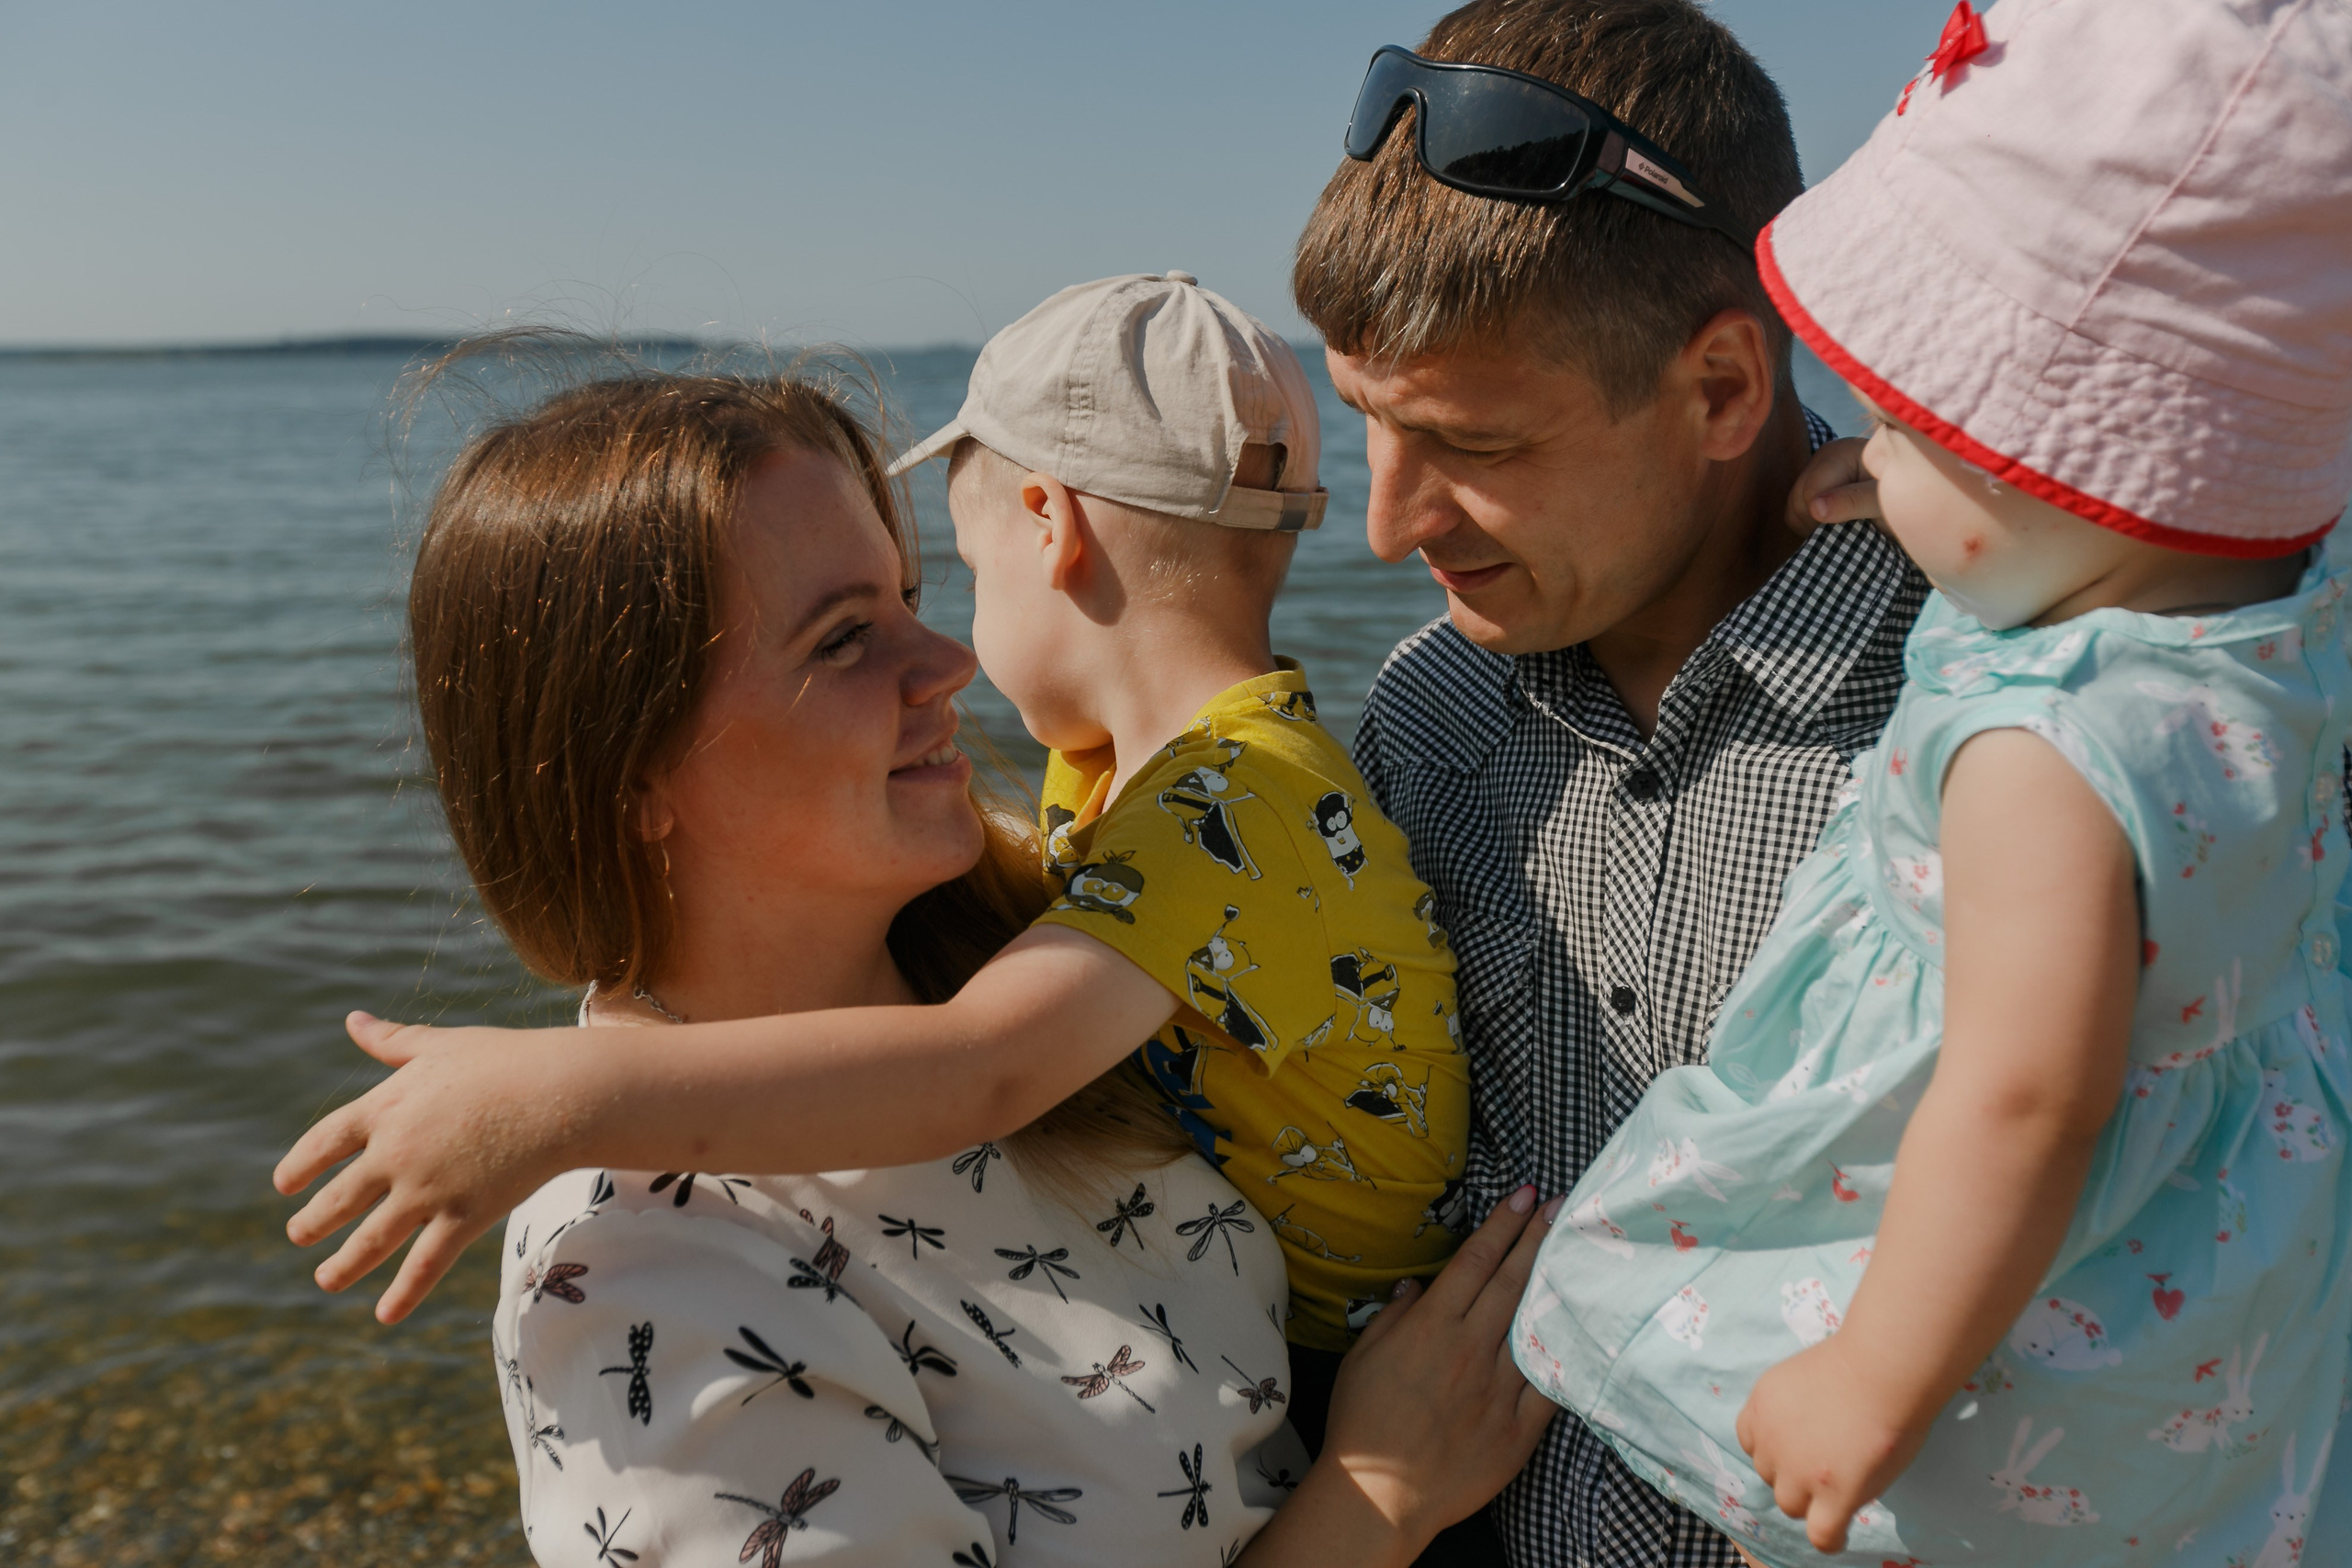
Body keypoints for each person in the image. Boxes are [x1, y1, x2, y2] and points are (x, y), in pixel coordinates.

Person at [282, 356, 1555, 1565]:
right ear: (631, 780)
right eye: (841, 641)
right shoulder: (639, 1283)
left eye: (911, 600)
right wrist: (1379, 1495)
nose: (946, 668)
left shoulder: (1021, 935)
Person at [1513, 3, 2352, 1564]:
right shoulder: (2258, 602)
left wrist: (1877, 1377)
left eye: (1905, 420)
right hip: (2239, 1214)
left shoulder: (2045, 753)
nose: (1861, 451)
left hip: (2012, 1264)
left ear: (2048, 460)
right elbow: (2093, 520)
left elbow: (2027, 1096)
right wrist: (1918, 487)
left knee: (1879, 1488)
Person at [1295, 2, 1926, 1562]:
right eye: (1364, 422)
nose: (1388, 527)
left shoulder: (1999, 708)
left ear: (1722, 387)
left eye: (1471, 442)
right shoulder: (1428, 714)